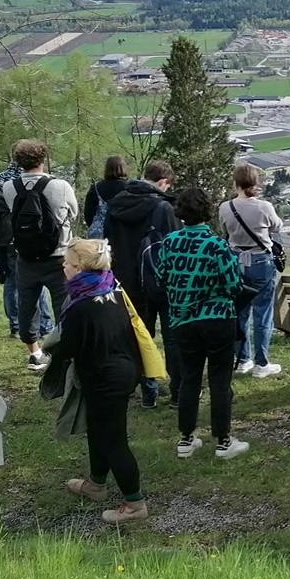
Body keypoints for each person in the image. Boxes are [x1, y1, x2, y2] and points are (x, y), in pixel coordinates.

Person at [48, 239, 150, 524]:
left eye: (66, 264)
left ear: (79, 268)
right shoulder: (112, 288)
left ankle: (135, 504)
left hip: (106, 378)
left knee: (114, 439)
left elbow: (67, 348)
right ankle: (96, 484)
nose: (64, 268)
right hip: (122, 369)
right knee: (98, 429)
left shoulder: (80, 305)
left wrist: (50, 354)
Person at [156, 186, 250, 461]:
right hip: (218, 318)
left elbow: (161, 278)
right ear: (207, 211)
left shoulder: (169, 243)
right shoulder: (216, 245)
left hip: (182, 319)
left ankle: (186, 438)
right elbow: (233, 284)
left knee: (189, 378)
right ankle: (223, 440)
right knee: (220, 380)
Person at [104, 159, 180, 406]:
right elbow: (173, 247)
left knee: (139, 336)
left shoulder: (116, 204)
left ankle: (148, 391)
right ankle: (178, 390)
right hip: (161, 280)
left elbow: (108, 242)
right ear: (163, 182)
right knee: (172, 337)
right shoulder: (164, 208)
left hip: (128, 281)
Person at [0, 139, 79, 372]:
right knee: (63, 306)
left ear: (18, 162)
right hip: (58, 257)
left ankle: (34, 353)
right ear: (43, 159)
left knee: (27, 305)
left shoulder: (8, 187)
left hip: (25, 256)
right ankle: (65, 354)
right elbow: (73, 212)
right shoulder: (60, 186)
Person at [220, 162, 286, 379]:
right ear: (255, 183)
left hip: (236, 259)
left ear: (236, 182)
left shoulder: (225, 207)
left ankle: (243, 358)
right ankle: (261, 362)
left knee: (240, 310)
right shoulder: (264, 207)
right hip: (260, 259)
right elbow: (277, 226)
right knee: (263, 312)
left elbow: (225, 232)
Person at [0, 155, 54, 341]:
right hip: (32, 237)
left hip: (7, 236)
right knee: (37, 283)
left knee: (12, 281)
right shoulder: (36, 180)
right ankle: (44, 325)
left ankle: (15, 326)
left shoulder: (0, 178)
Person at [81, 155, 129, 237]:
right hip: (124, 234)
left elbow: (88, 214)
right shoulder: (130, 187)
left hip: (99, 234)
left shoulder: (95, 188)